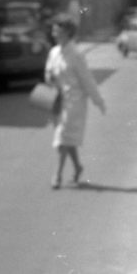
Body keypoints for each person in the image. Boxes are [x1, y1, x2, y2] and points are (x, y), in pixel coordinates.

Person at [44, 14, 105, 188]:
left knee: (62, 137)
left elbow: (87, 80)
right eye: (54, 30)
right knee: (67, 138)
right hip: (58, 100)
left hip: (74, 102)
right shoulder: (54, 52)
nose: (54, 33)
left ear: (67, 32)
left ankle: (57, 175)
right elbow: (48, 74)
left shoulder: (76, 55)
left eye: (58, 30)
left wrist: (98, 101)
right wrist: (49, 76)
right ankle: (78, 167)